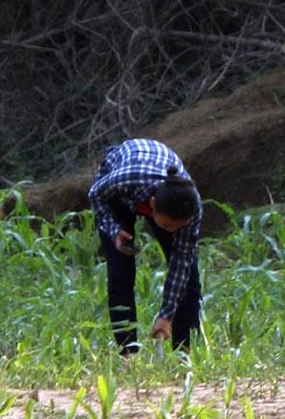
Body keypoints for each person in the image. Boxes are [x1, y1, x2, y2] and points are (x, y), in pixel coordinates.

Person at [87, 137, 203, 352]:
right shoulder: (127, 179)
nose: (173, 232)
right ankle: (127, 352)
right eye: (167, 226)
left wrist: (166, 315)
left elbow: (180, 266)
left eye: (178, 227)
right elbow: (95, 193)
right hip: (118, 192)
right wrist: (113, 229)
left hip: (160, 192)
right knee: (120, 272)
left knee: (190, 278)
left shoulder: (191, 208)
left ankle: (184, 352)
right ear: (151, 206)